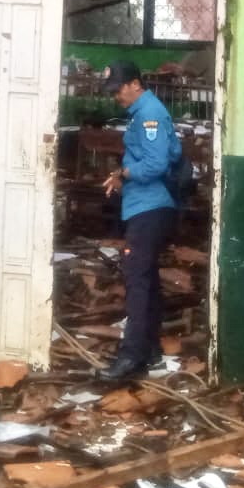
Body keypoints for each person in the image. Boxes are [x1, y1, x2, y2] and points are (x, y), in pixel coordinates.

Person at [98, 60, 182, 381]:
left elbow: (157, 163)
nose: (116, 96)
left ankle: (131, 357)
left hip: (150, 206)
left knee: (137, 280)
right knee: (146, 280)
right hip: (143, 206)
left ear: (135, 84)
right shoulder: (143, 113)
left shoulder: (149, 115)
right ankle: (149, 350)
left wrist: (124, 173)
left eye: (118, 88)